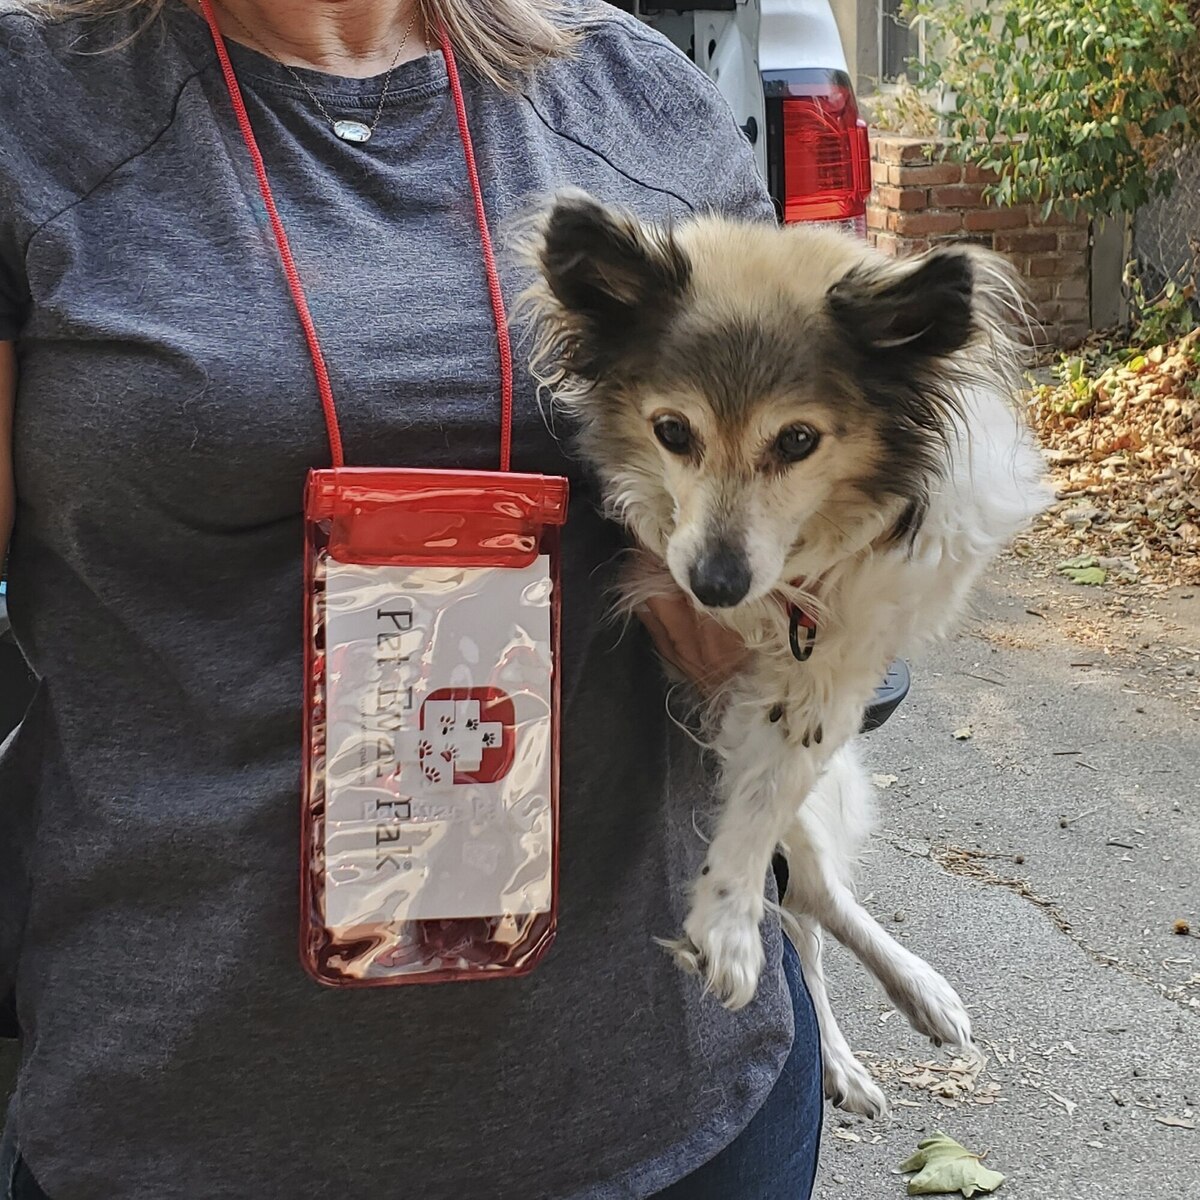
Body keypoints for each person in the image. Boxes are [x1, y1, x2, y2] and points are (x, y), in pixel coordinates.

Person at [0, 1, 823, 1196]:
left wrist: (790, 640)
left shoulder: (632, 95)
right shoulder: (34, 104)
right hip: (186, 1122)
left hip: (668, 1097)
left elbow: (842, 523)